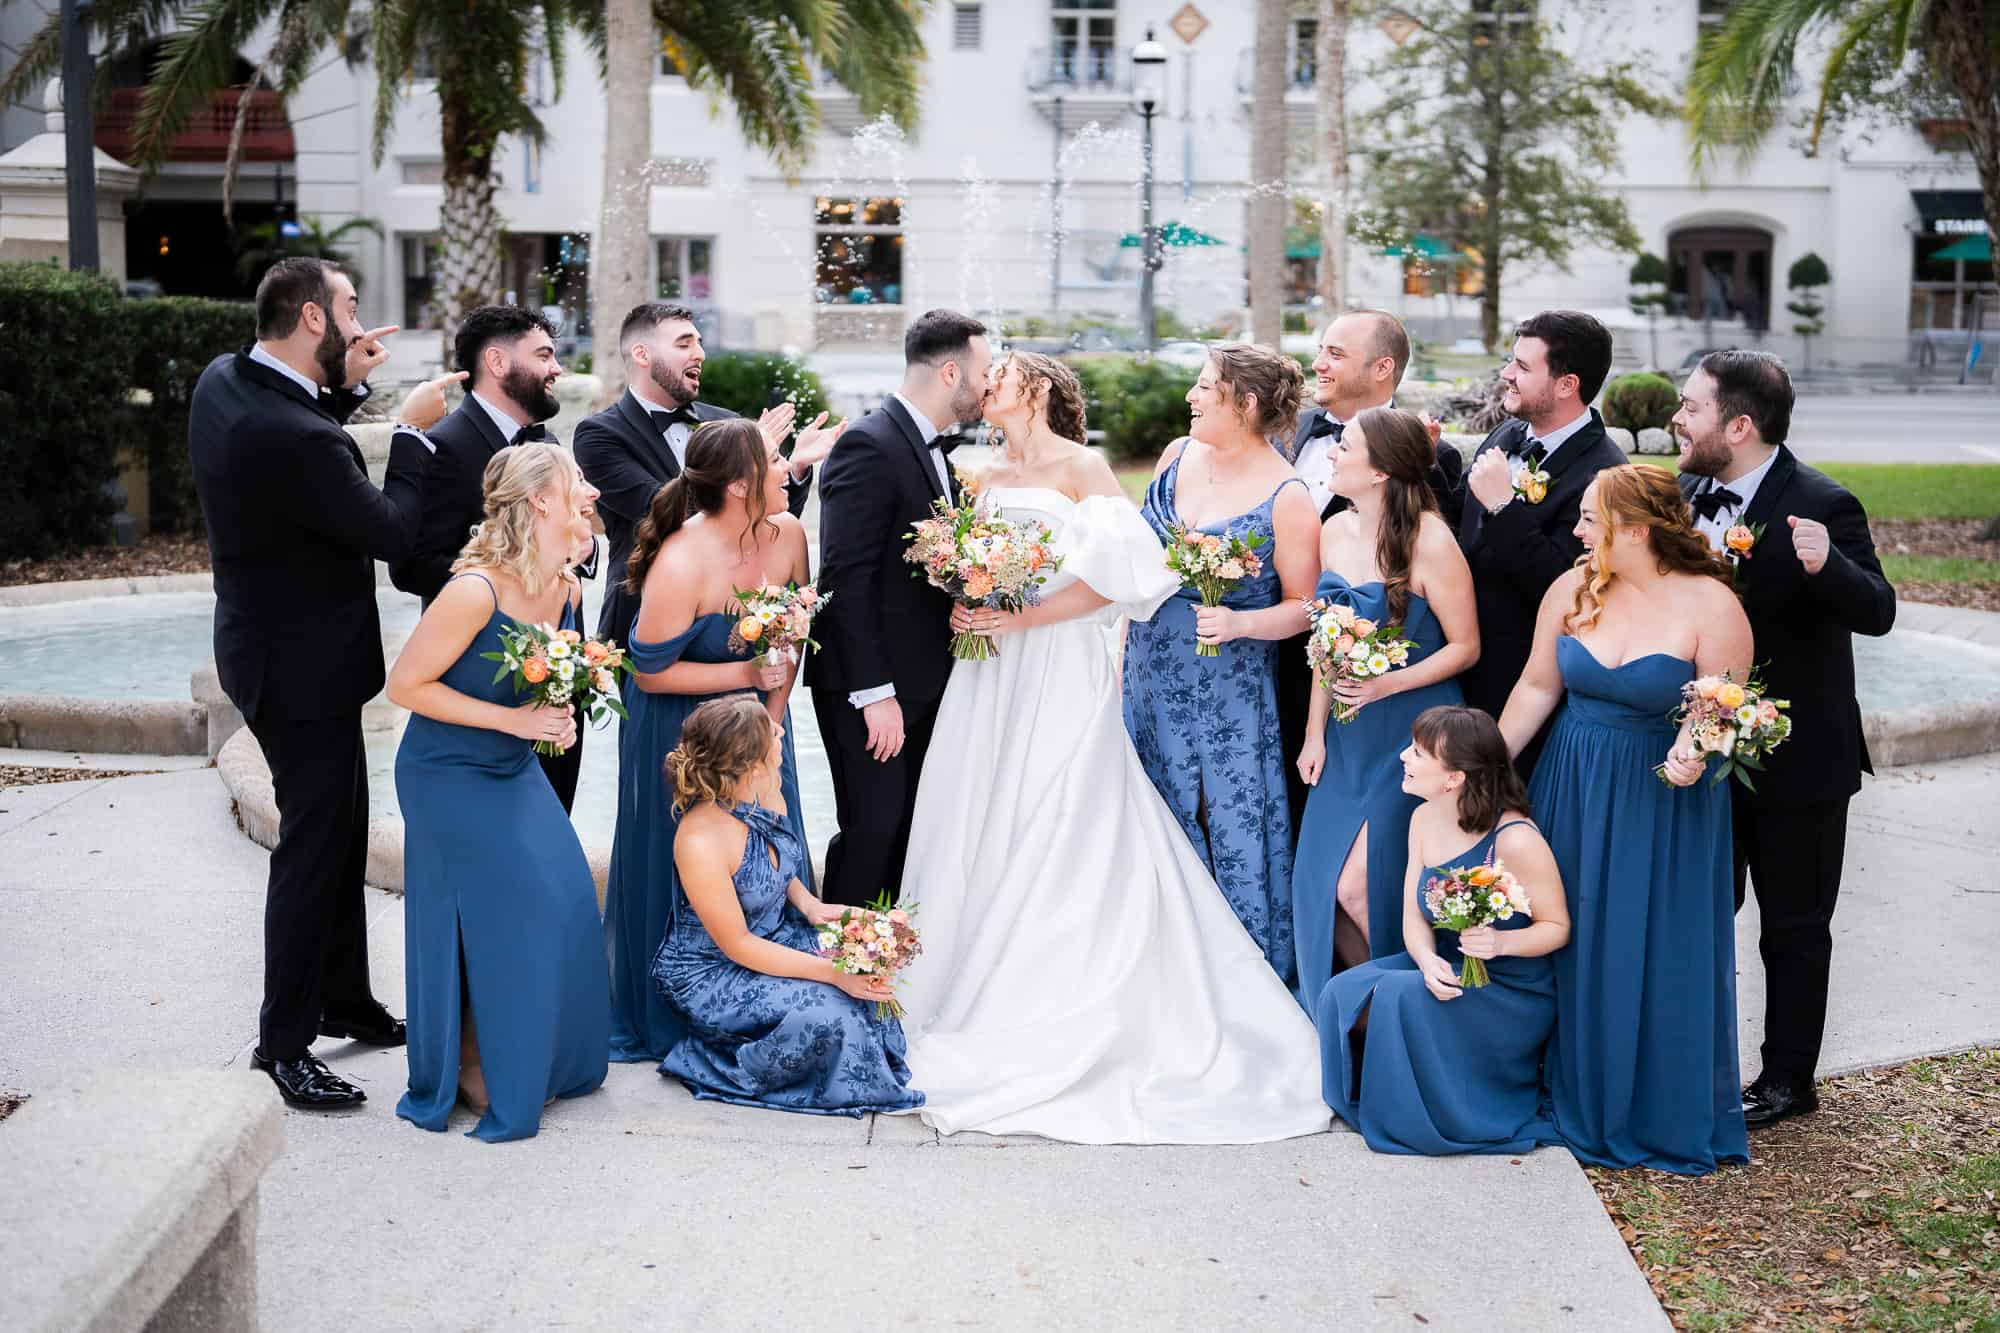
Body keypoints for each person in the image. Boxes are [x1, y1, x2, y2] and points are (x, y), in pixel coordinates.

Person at [893, 352, 1329, 1144]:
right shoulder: (977, 473)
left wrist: (1015, 619)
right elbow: (969, 559)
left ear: (1038, 390)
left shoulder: (1089, 466)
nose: (985, 383)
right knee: (976, 806)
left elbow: (1123, 573)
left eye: (1002, 375)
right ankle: (966, 975)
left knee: (1068, 807)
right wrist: (967, 598)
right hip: (996, 674)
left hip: (1061, 662)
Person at [190, 256, 461, 1110]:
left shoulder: (225, 378)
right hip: (297, 664)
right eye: (349, 306)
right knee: (314, 847)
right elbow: (387, 528)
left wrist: (344, 391)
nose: (360, 319)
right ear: (313, 318)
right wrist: (412, 434)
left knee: (343, 832)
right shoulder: (297, 437)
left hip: (274, 645)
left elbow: (298, 447)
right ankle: (283, 1044)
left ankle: (346, 993)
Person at [1499, 464, 1752, 1175]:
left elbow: (1720, 706)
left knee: (1648, 940)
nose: (1577, 530)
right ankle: (1567, 1085)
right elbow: (1536, 686)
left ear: (1635, 530)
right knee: (1569, 933)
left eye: (1590, 519)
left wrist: (1693, 749)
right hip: (1573, 784)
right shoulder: (1572, 589)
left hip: (1662, 801)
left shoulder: (1711, 603)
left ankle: (1649, 1105)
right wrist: (1480, 773)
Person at [1672, 349, 1896, 1128]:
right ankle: (1688, 1058)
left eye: (1693, 407)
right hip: (1700, 753)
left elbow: (1877, 609)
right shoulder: (1681, 493)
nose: (1679, 417)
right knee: (1697, 909)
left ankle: (1787, 1080)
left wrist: (1828, 566)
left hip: (1797, 759)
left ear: (1739, 424)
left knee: (1794, 928)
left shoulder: (1822, 502)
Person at [387, 443, 610, 1142]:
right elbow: (405, 687)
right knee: (510, 905)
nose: (589, 490)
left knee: (568, 891)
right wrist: (515, 719)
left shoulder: (568, 587)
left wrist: (561, 712)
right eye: (576, 481)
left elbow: (545, 680)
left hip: (509, 766)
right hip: (444, 771)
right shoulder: (474, 590)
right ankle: (470, 1062)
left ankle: (539, 1054)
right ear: (541, 499)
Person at [605, 419, 814, 1063]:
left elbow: (792, 637)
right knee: (680, 869)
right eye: (775, 463)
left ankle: (772, 989)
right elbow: (648, 670)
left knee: (769, 854)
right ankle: (676, 1010)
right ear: (739, 486)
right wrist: (747, 676)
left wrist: (770, 722)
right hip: (679, 734)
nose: (787, 471)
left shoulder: (790, 536)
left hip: (758, 727)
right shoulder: (681, 560)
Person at [1124, 343, 1320, 981]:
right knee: (1140, 810)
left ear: (1247, 402)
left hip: (1226, 687)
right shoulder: (1177, 456)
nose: (1192, 397)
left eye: (1206, 388)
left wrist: (1241, 622)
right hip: (1147, 670)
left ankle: (1228, 976)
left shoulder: (1287, 495)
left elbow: (1308, 606)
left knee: (1216, 815)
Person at [652, 696, 923, 1117]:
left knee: (866, 965)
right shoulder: (699, 840)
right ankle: (724, 1063)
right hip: (715, 969)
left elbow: (777, 860)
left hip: (773, 938)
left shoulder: (767, 792)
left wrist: (812, 906)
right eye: (771, 733)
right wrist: (833, 975)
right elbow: (738, 945)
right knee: (834, 1011)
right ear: (752, 764)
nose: (780, 732)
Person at [1317, 706, 1568, 1156]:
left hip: (1508, 987)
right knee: (1343, 990)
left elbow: (1557, 927)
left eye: (1417, 753)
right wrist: (1427, 959)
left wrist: (1501, 941)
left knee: (1397, 996)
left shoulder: (1516, 838)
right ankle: (1385, 1102)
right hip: (1451, 966)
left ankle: (1446, 1115)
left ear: (1453, 778)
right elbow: (1413, 914)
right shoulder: (1423, 818)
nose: (1402, 758)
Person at [1290, 407, 1478, 998]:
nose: (1333, 455)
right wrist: (1314, 733)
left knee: (1361, 888)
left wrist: (1385, 685)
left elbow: (1467, 648)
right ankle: (1364, 1017)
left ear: (1379, 471)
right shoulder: (1334, 529)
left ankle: (1415, 1007)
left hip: (1410, 736)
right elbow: (1329, 639)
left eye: (1345, 447)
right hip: (1344, 737)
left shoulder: (1431, 540)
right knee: (1320, 890)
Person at [807, 309, 992, 907]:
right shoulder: (869, 443)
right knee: (871, 834)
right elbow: (845, 579)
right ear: (949, 372)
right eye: (984, 371)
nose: (989, 385)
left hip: (924, 684)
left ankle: (883, 977)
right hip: (873, 692)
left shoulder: (931, 449)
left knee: (909, 835)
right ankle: (833, 979)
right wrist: (874, 694)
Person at [388, 305, 592, 809]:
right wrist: (506, 580)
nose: (557, 369)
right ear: (498, 362)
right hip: (482, 689)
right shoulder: (444, 446)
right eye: (544, 355)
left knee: (552, 830)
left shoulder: (547, 444)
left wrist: (577, 553)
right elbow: (410, 566)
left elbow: (571, 543)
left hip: (557, 690)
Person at [1279, 311, 1464, 835]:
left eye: (1335, 354)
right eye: (1321, 350)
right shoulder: (1293, 435)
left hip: (1383, 688)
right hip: (1301, 668)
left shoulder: (1434, 459)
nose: (1318, 364)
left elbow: (1437, 587)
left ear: (1382, 368)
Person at [574, 301, 839, 651]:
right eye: (684, 344)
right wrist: (737, 463)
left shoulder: (725, 421)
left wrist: (797, 466)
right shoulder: (599, 434)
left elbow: (769, 516)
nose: (698, 354)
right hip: (643, 625)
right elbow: (662, 511)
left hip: (735, 623)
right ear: (641, 354)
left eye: (698, 343)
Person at [1456, 311, 1625, 775]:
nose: (1507, 374)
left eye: (1523, 367)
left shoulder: (1606, 474)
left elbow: (1568, 585)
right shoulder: (1508, 434)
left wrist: (1504, 510)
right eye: (1512, 361)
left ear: (1567, 384)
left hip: (1526, 680)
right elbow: (1462, 529)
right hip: (1464, 665)